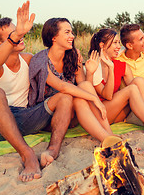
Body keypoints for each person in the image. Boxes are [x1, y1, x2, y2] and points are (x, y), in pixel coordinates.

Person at [0, 1, 74, 182]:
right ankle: (27, 155)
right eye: (12, 34)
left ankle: (53, 149)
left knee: (65, 98)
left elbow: (54, 70)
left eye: (19, 31)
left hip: (23, 118)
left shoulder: (29, 59)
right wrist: (17, 35)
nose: (19, 36)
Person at [28, 18, 115, 153]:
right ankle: (109, 140)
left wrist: (90, 72)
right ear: (53, 37)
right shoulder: (40, 60)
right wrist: (95, 99)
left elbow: (83, 85)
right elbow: (62, 87)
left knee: (84, 86)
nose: (72, 36)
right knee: (73, 95)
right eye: (67, 32)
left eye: (72, 32)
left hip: (72, 114)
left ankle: (110, 137)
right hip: (49, 117)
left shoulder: (72, 56)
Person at [86, 28, 144, 146]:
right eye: (115, 43)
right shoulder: (95, 66)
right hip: (103, 114)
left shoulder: (121, 65)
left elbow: (138, 90)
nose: (118, 47)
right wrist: (111, 69)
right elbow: (107, 95)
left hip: (120, 113)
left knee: (139, 81)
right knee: (132, 89)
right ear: (102, 45)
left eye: (118, 43)